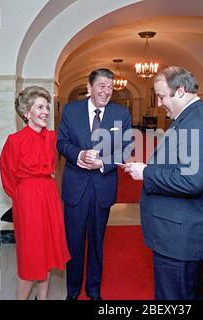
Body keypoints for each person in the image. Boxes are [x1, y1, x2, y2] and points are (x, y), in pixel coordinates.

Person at [121, 66, 203, 300]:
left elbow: (191, 180)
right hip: (178, 230)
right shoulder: (187, 118)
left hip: (180, 235)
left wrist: (147, 172)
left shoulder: (197, 122)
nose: (158, 103)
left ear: (180, 91)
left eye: (161, 96)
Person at [57, 68, 132, 300]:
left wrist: (102, 162)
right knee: (74, 241)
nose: (106, 91)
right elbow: (62, 142)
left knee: (97, 242)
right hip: (75, 187)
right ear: (89, 88)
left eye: (110, 87)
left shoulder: (121, 113)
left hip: (103, 185)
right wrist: (79, 155)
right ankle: (72, 290)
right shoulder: (71, 110)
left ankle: (93, 289)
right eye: (101, 86)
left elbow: (127, 147)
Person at [0, 86, 70, 300]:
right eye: (40, 107)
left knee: (47, 253)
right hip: (28, 199)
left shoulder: (51, 138)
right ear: (26, 112)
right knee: (31, 256)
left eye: (47, 107)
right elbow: (8, 176)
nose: (46, 111)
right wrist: (24, 197)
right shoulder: (15, 140)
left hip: (49, 196)